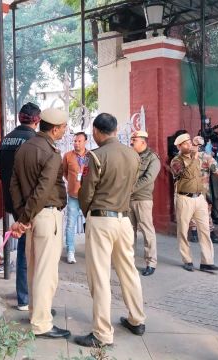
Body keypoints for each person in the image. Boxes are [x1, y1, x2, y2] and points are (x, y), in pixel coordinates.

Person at [73, 113, 145, 348]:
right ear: (115, 129)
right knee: (128, 271)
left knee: (100, 276)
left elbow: (86, 193)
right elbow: (133, 186)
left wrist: (88, 214)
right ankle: (137, 319)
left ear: (95, 131)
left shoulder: (96, 155)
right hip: (124, 220)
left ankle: (102, 333)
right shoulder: (133, 154)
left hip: (102, 218)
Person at [9, 108, 69, 339]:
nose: (65, 131)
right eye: (64, 127)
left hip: (30, 216)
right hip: (45, 215)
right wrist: (24, 219)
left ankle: (37, 311)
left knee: (34, 268)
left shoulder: (25, 147)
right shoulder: (51, 152)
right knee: (46, 273)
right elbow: (43, 190)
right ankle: (42, 323)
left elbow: (13, 184)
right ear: (54, 128)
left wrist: (21, 217)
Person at [0, 102, 40, 311]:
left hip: (10, 201)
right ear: (36, 120)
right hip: (26, 204)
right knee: (27, 251)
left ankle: (24, 294)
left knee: (24, 249)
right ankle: (25, 298)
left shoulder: (6, 139)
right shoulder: (33, 140)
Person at [170, 133, 218, 272]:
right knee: (183, 230)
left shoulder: (199, 158)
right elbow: (186, 174)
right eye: (186, 144)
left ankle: (207, 262)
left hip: (200, 198)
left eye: (189, 142)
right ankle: (187, 260)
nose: (190, 145)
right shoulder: (176, 160)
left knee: (205, 230)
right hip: (184, 198)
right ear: (179, 146)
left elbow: (212, 171)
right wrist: (194, 158)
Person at [128, 131, 161, 276]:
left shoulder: (153, 158)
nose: (131, 142)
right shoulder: (130, 156)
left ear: (143, 142)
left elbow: (148, 178)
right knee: (129, 232)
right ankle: (129, 261)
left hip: (142, 199)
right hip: (128, 199)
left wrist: (130, 189)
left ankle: (151, 262)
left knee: (147, 231)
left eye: (134, 140)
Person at [188, 136, 218, 245]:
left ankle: (194, 235)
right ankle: (211, 234)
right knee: (206, 212)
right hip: (203, 190)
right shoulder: (207, 157)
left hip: (189, 189)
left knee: (192, 211)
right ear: (202, 145)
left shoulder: (185, 156)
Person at [62, 132, 89, 264]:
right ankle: (70, 251)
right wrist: (72, 183)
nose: (76, 143)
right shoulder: (68, 156)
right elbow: (65, 172)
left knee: (91, 224)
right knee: (70, 224)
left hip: (88, 197)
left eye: (79, 141)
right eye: (75, 141)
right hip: (73, 195)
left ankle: (91, 250)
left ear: (85, 142)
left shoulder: (91, 156)